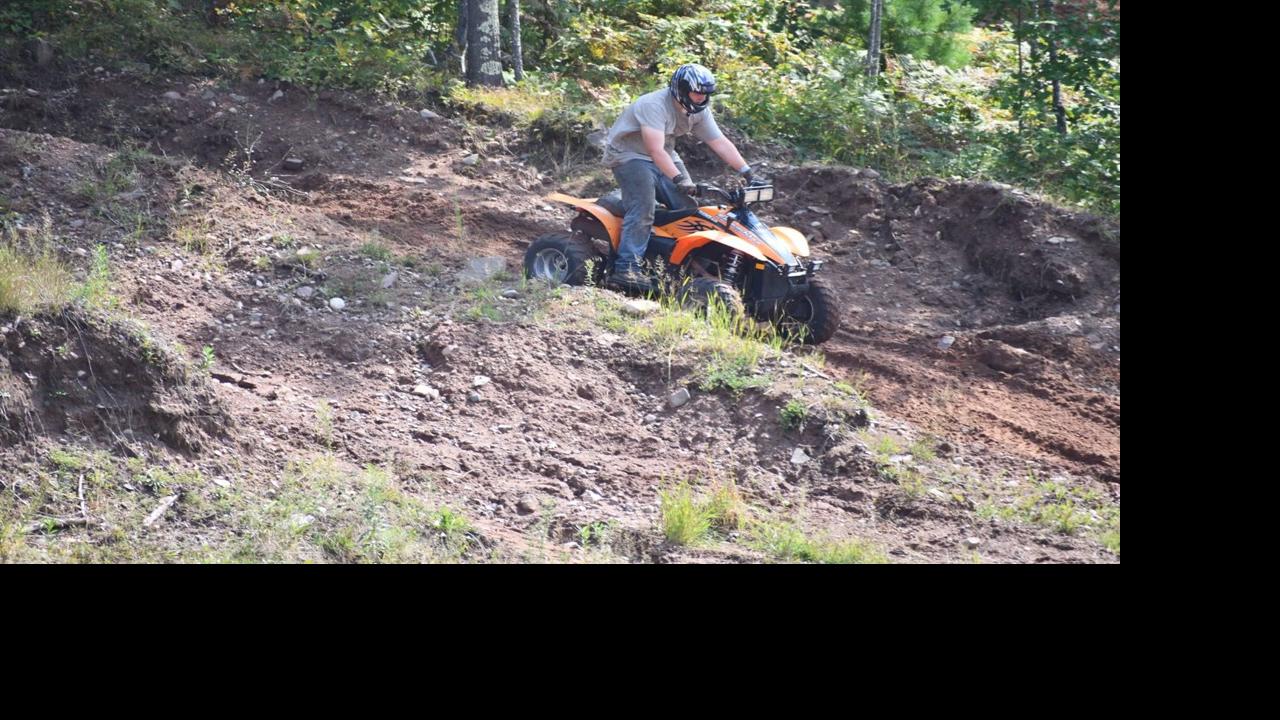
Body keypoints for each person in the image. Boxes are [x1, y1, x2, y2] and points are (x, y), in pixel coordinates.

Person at [601, 63, 755, 291]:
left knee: (687, 209)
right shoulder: (654, 105)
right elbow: (654, 151)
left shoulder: (698, 111)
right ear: (681, 89)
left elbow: (719, 142)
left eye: (705, 94)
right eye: (697, 93)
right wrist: (679, 179)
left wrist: (747, 172)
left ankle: (669, 261)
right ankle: (627, 267)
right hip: (629, 155)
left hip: (665, 154)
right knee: (643, 208)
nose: (701, 98)